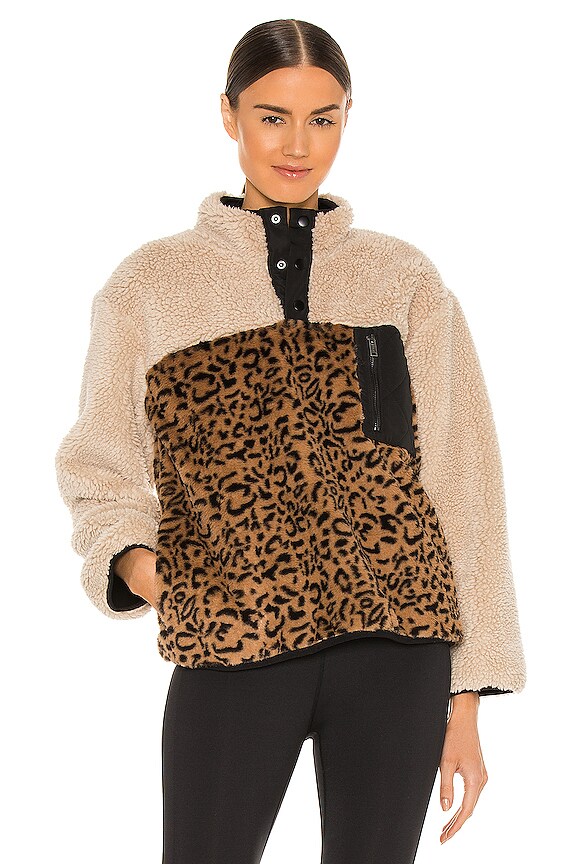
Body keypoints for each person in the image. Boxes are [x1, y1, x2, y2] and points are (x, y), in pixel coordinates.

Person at [54, 17, 527, 864]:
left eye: (323, 118)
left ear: (348, 118)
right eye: (272, 117)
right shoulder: (150, 285)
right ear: (228, 115)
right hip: (234, 641)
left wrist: (466, 700)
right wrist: (149, 573)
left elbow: (463, 477)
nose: (298, 145)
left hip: (397, 647)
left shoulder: (402, 278)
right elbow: (100, 466)